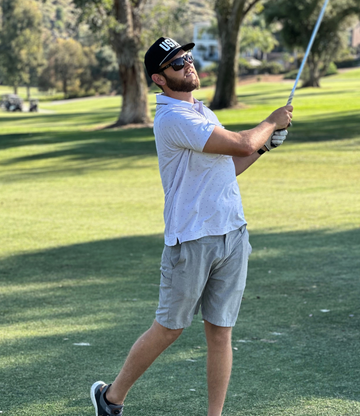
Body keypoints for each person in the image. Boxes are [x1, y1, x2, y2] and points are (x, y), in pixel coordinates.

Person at [90, 37, 293, 416]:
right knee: (169, 329)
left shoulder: (202, 112)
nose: (188, 64)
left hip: (231, 232)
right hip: (191, 240)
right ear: (159, 78)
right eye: (177, 63)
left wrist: (264, 147)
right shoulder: (172, 118)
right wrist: (270, 123)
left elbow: (230, 166)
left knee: (220, 331)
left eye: (188, 57)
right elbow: (243, 142)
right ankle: (111, 398)